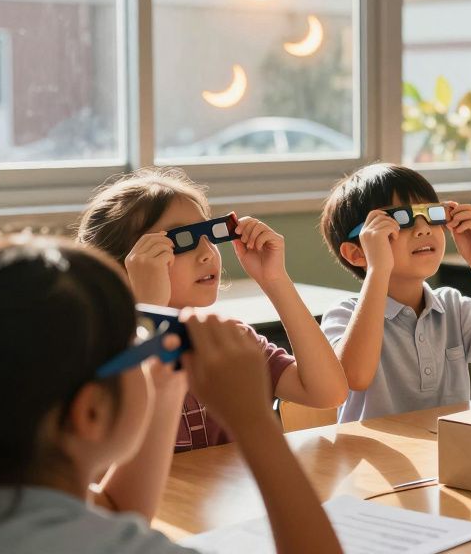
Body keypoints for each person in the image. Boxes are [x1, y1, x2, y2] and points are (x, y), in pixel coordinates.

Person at [0, 235, 341, 554]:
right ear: (89, 412)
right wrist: (254, 423)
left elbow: (118, 510)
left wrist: (166, 385)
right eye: (136, 343)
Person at [77, 167, 347, 451]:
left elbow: (328, 393)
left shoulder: (230, 340)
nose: (208, 253)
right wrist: (148, 311)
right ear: (123, 267)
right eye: (183, 241)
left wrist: (276, 281)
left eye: (208, 234)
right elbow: (114, 438)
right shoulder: (98, 355)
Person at [318, 163, 471, 422]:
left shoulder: (453, 307)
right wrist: (378, 269)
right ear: (357, 253)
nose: (423, 228)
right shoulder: (344, 314)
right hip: (376, 460)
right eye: (399, 219)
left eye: (432, 214)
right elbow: (355, 377)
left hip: (446, 454)